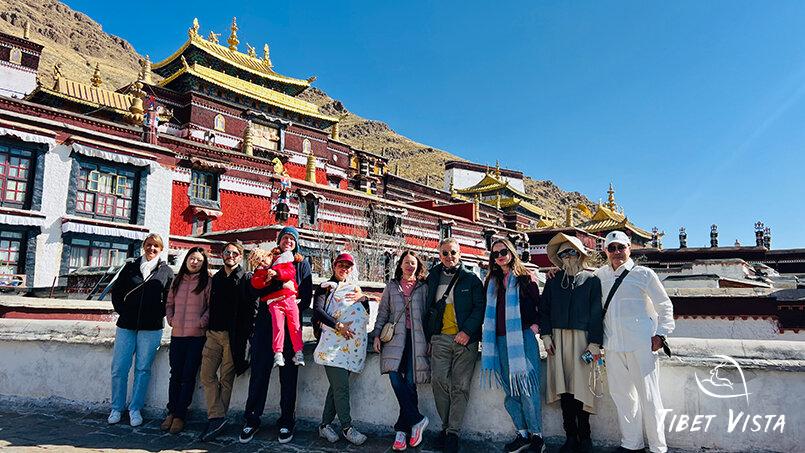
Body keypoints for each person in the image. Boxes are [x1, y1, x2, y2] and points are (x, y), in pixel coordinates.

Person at [595, 231, 674, 453]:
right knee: (622, 397)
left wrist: (661, 334)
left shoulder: (644, 274)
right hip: (612, 345)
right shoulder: (599, 276)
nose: (617, 252)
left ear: (630, 248)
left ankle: (658, 447)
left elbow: (664, 305)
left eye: (621, 247)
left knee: (649, 397)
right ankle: (631, 444)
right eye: (612, 248)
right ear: (605, 251)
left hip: (642, 345)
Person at [241, 226, 313, 444]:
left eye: (292, 239)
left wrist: (282, 292)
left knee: (288, 374)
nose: (288, 241)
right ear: (279, 241)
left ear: (296, 242)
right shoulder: (268, 258)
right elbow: (255, 290)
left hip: (291, 326)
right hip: (265, 323)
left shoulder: (302, 263)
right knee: (260, 371)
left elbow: (306, 296)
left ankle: (286, 421)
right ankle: (252, 419)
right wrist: (281, 284)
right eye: (285, 238)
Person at [540, 233, 603, 453]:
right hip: (557, 339)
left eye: (572, 251)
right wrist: (546, 335)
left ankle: (585, 437)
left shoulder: (592, 280)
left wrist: (595, 343)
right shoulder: (553, 281)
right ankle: (571, 436)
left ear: (580, 254)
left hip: (582, 340)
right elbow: (544, 310)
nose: (568, 256)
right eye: (563, 252)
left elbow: (597, 314)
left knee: (582, 388)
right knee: (564, 389)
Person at [481, 239, 544, 453]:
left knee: (527, 387)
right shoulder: (491, 281)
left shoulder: (526, 278)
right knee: (510, 390)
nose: (500, 255)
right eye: (495, 253)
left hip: (522, 339)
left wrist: (533, 327)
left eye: (503, 251)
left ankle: (537, 435)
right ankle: (522, 433)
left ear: (511, 252)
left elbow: (539, 306)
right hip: (499, 340)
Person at [423, 237, 485, 453]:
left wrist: (467, 331)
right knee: (439, 381)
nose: (449, 257)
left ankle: (453, 433)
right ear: (439, 255)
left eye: (453, 253)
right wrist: (430, 336)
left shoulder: (471, 279)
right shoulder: (432, 277)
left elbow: (480, 308)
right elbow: (426, 307)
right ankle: (447, 425)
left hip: (465, 341)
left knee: (460, 386)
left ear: (460, 254)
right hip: (440, 338)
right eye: (445, 253)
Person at [108, 233, 174, 427]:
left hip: (151, 327)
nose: (152, 249)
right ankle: (116, 408)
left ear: (161, 249)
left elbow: (169, 298)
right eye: (149, 245)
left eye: (156, 246)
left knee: (143, 369)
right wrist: (124, 311)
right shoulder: (130, 268)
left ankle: (135, 408)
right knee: (119, 367)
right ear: (143, 246)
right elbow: (117, 292)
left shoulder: (166, 271)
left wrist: (157, 314)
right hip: (126, 325)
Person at [372, 250, 431, 451]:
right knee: (396, 378)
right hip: (394, 340)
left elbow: (429, 315)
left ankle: (402, 431)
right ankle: (417, 420)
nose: (410, 266)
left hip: (417, 340)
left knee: (410, 383)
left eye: (413, 263)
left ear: (418, 266)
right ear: (400, 265)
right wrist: (377, 335)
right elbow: (383, 313)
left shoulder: (424, 287)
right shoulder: (391, 286)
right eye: (406, 262)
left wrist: (430, 339)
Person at [199, 242, 256, 442]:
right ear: (222, 255)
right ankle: (218, 416)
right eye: (227, 252)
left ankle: (216, 420)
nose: (230, 255)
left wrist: (247, 335)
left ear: (240, 257)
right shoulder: (216, 278)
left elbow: (252, 309)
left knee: (226, 379)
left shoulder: (245, 278)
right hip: (213, 333)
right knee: (206, 375)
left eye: (234, 253)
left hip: (233, 336)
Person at [312, 252, 371, 446]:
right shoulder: (324, 288)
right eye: (341, 265)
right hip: (331, 347)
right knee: (342, 388)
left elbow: (365, 314)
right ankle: (347, 428)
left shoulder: (354, 288)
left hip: (348, 348)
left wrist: (363, 298)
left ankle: (324, 425)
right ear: (334, 266)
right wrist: (338, 325)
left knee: (336, 388)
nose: (344, 269)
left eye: (348, 266)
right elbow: (318, 311)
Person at [161, 247, 211, 434]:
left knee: (188, 376)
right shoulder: (177, 280)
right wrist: (171, 319)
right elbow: (169, 303)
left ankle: (181, 414)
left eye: (198, 260)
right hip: (177, 335)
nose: (194, 262)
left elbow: (210, 307)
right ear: (186, 260)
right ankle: (171, 411)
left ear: (203, 262)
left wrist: (201, 322)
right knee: (175, 374)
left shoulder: (207, 281)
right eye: (192, 258)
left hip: (196, 336)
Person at [249, 247, 305, 367]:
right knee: (278, 326)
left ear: (269, 256)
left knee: (295, 325)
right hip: (274, 302)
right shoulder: (259, 272)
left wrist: (277, 273)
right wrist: (266, 280)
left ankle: (298, 351)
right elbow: (256, 283)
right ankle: (278, 352)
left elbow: (290, 272)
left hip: (289, 299)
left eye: (263, 260)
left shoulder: (280, 262)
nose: (262, 264)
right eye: (258, 263)